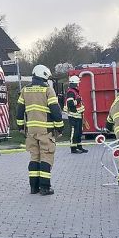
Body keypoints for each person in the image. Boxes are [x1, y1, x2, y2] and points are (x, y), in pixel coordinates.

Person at [15, 65, 64, 195]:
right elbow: (55, 111)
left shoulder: (25, 90)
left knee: (34, 157)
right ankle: (45, 187)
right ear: (43, 75)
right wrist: (60, 128)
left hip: (31, 130)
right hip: (45, 129)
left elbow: (19, 111)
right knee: (46, 156)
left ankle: (33, 187)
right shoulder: (48, 90)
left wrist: (20, 127)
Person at [64, 75, 87, 154]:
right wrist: (77, 100)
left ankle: (79, 147)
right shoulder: (71, 92)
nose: (78, 85)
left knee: (79, 132)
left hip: (78, 115)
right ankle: (73, 148)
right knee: (74, 132)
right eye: (77, 83)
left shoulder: (75, 91)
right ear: (75, 84)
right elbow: (70, 103)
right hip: (73, 116)